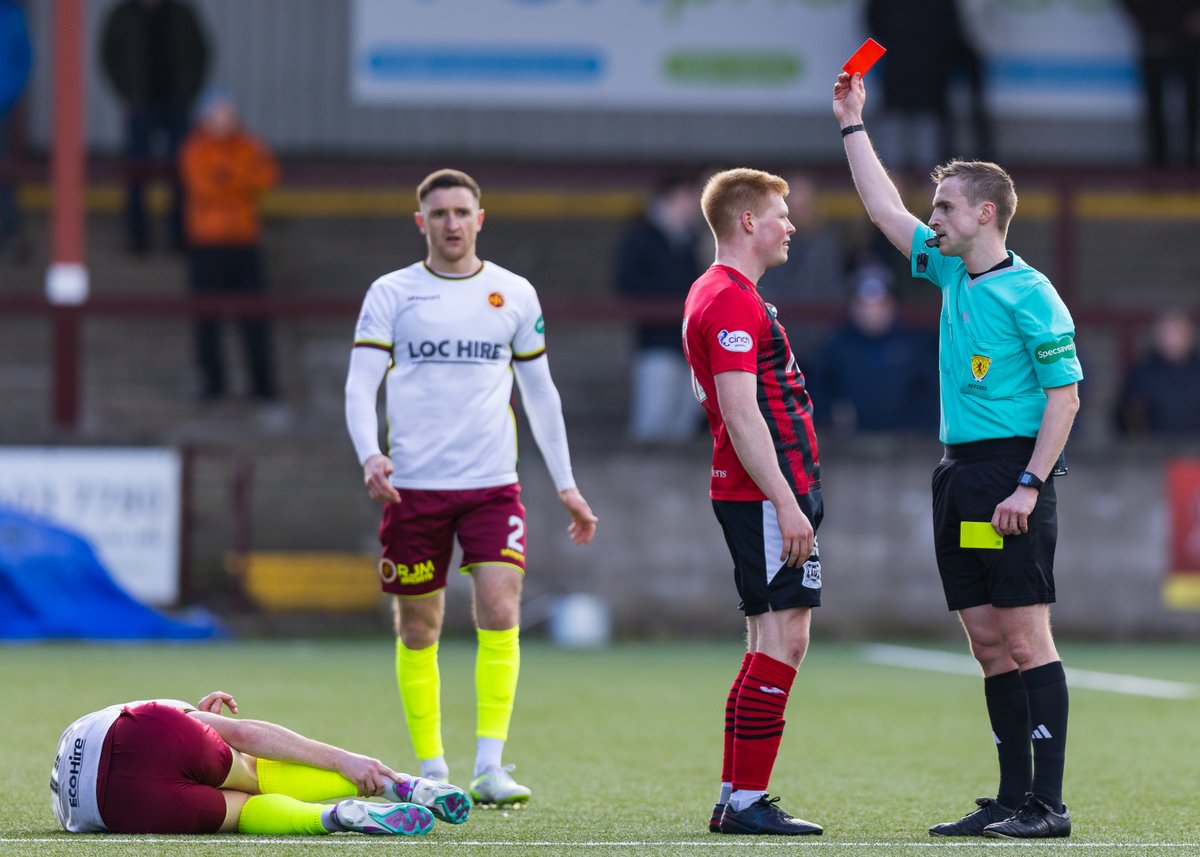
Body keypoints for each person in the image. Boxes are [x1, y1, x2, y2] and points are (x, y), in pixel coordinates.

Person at [835, 70, 1082, 839]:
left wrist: (1030, 485)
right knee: (985, 638)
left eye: (943, 207)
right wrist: (852, 123)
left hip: (1011, 476)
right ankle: (1011, 798)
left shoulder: (1033, 292)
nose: (929, 218)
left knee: (1026, 634)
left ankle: (1050, 804)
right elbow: (881, 208)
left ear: (984, 214)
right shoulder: (948, 269)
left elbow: (1066, 398)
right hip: (964, 478)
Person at [344, 168, 598, 807]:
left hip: (492, 485)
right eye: (439, 214)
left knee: (501, 607)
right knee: (419, 628)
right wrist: (370, 454)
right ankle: (430, 768)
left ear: (480, 219)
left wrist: (566, 483)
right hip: (414, 489)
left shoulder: (512, 293)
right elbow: (358, 385)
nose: (451, 224)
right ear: (421, 222)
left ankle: (490, 766)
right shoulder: (392, 294)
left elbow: (540, 392)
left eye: (462, 212)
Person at [682, 168, 825, 837]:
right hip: (763, 494)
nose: (789, 225)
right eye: (779, 213)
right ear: (746, 222)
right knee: (783, 638)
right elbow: (741, 415)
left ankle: (736, 796)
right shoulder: (731, 299)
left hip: (759, 493)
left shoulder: (720, 293)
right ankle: (744, 801)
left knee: (769, 636)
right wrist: (787, 502)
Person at [50, 690, 470, 836]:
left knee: (243, 812)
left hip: (107, 803)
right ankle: (398, 786)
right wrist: (344, 758)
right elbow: (248, 734)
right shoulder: (162, 711)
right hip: (148, 732)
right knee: (250, 772)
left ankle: (335, 816)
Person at [179, 87, 279, 402]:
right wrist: (240, 182)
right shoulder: (195, 149)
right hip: (207, 245)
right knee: (207, 319)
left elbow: (266, 177)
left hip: (244, 242)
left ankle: (263, 385)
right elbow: (205, 186)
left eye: (228, 113)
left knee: (254, 318)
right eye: (218, 113)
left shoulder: (249, 145)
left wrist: (227, 178)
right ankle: (213, 384)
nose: (224, 119)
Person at [99, 0, 210, 254]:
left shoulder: (182, 13)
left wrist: (189, 92)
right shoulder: (122, 14)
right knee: (137, 172)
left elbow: (201, 52)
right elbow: (108, 55)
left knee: (182, 172)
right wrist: (126, 93)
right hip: (141, 106)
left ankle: (180, 237)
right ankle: (138, 239)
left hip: (176, 105)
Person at [614, 173, 705, 444]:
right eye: (688, 199)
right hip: (656, 340)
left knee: (684, 417)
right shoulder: (643, 237)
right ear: (673, 198)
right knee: (653, 417)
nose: (692, 207)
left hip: (689, 344)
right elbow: (626, 283)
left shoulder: (691, 241)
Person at [865, 0, 993, 170]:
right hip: (918, 75)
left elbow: (874, 24)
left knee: (914, 147)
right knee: (907, 146)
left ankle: (905, 183)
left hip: (912, 75)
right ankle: (914, 184)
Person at [810, 271, 939, 434]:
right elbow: (816, 390)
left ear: (892, 305)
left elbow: (932, 392)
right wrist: (833, 415)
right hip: (848, 449)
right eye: (864, 304)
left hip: (906, 447)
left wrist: (916, 425)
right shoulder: (835, 346)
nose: (872, 312)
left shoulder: (914, 345)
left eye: (880, 304)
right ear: (853, 307)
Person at [1116, 1, 1200, 167]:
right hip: (1155, 35)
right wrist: (1151, 23)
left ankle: (1191, 159)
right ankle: (1158, 162)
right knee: (1155, 104)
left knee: (1192, 101)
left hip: (1189, 39)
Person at [756, 173, 847, 301]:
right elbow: (764, 290)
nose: (798, 211)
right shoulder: (769, 244)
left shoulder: (828, 246)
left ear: (815, 205)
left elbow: (834, 291)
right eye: (793, 206)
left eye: (804, 206)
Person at [1115, 310, 1200, 435]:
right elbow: (1124, 415)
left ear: (1189, 336)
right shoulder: (1142, 372)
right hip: (1154, 449)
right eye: (1166, 334)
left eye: (1177, 334)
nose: (1172, 340)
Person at [0, 0, 31, 263]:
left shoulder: (11, 15)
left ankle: (8, 235)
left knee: (5, 176)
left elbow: (23, 61)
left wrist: (5, 97)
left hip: (1, 110)